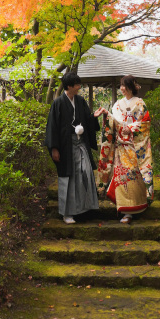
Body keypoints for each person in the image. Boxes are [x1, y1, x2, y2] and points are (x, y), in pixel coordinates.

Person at [44, 71, 100, 224]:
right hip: (65, 146)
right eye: (77, 84)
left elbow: (87, 119)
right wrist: (54, 148)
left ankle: (84, 208)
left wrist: (94, 116)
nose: (79, 86)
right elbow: (52, 127)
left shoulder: (80, 101)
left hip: (80, 143)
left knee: (86, 171)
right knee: (69, 178)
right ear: (69, 86)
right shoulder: (58, 103)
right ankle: (67, 213)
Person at [97, 76, 153, 223]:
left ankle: (137, 206)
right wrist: (106, 114)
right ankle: (125, 211)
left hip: (134, 147)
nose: (122, 88)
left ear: (132, 86)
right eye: (121, 85)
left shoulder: (140, 103)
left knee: (134, 176)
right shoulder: (117, 104)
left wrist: (132, 128)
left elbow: (145, 123)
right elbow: (113, 122)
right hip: (121, 147)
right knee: (122, 177)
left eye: (125, 85)